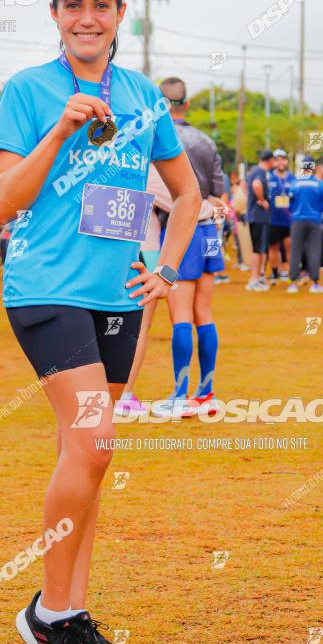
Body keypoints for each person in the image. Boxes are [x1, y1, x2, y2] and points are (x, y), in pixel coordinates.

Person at [0, 0, 201, 644]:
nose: (86, 16)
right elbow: (1, 203)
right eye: (71, 4)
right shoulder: (28, 89)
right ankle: (45, 615)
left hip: (117, 296)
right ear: (54, 16)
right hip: (46, 289)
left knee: (86, 456)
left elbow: (187, 194)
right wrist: (58, 131)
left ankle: (71, 609)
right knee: (95, 443)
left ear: (118, 16)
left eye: (99, 4)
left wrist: (166, 271)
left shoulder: (142, 96)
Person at [117, 77, 226, 420]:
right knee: (204, 313)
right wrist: (217, 212)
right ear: (187, 103)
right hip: (208, 232)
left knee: (163, 319)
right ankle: (204, 392)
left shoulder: (152, 140)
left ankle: (176, 395)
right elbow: (216, 193)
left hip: (177, 233)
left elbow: (178, 198)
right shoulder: (206, 141)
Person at [287, 156, 323, 294]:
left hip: (297, 220)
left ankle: (293, 283)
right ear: (313, 167)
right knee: (314, 250)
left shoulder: (294, 183)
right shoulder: (319, 184)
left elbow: (290, 204)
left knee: (295, 251)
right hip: (314, 221)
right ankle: (315, 283)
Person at [245, 149, 275, 291]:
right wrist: (262, 200)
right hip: (258, 216)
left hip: (255, 216)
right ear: (270, 160)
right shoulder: (260, 172)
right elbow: (256, 185)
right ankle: (254, 278)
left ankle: (258, 277)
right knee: (258, 249)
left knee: (260, 248)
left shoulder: (254, 171)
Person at [267, 148, 294, 283]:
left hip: (289, 219)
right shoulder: (269, 177)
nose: (280, 162)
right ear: (273, 162)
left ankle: (288, 273)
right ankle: (275, 272)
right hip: (273, 219)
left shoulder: (292, 178)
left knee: (289, 246)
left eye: (283, 159)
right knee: (274, 247)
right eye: (277, 160)